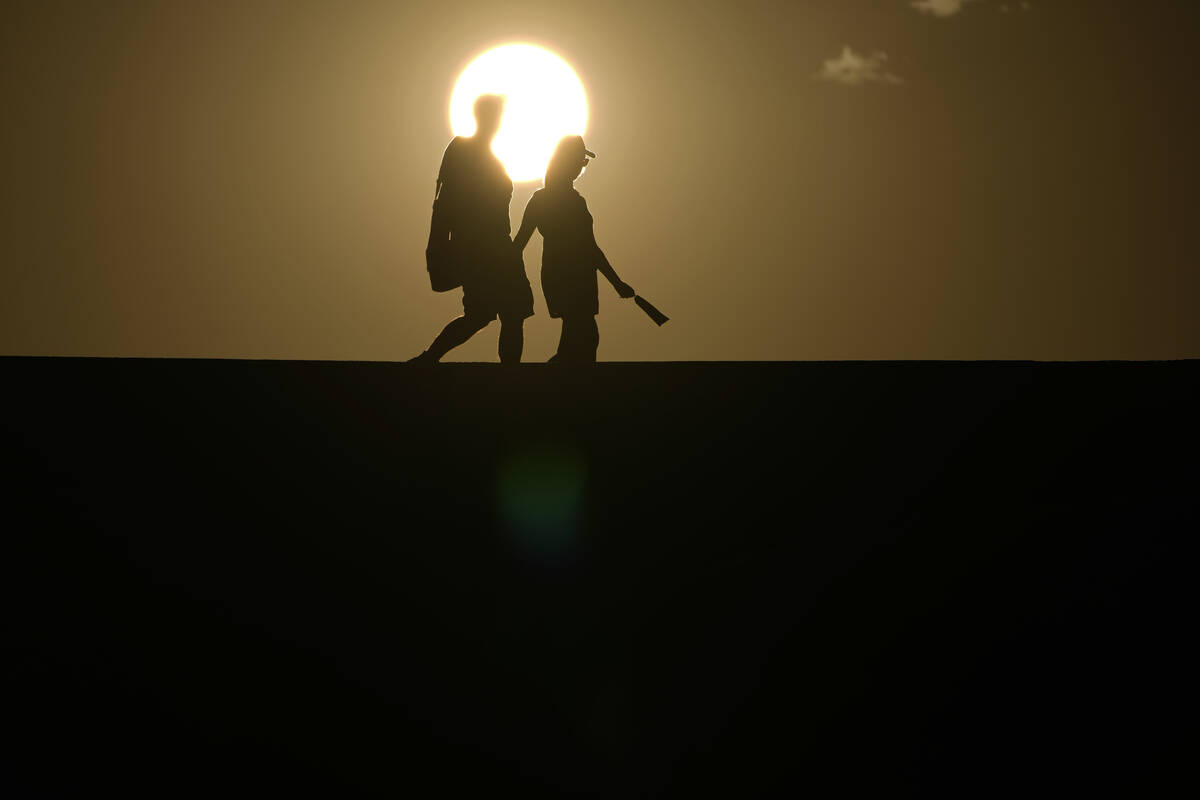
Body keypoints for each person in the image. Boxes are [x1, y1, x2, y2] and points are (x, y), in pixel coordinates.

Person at [410, 94, 534, 364]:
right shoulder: (463, 151)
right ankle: (429, 358)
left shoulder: (491, 156)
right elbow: (445, 204)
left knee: (512, 314)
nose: (498, 121)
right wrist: (442, 247)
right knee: (482, 314)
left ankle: (509, 374)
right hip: (480, 247)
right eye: (495, 115)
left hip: (501, 245)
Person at [512, 135, 634, 363]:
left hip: (564, 273)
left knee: (580, 335)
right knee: (584, 334)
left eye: (583, 162)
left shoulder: (543, 199)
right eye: (580, 160)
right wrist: (616, 282)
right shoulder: (570, 203)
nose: (581, 166)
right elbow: (590, 249)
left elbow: (517, 245)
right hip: (570, 274)